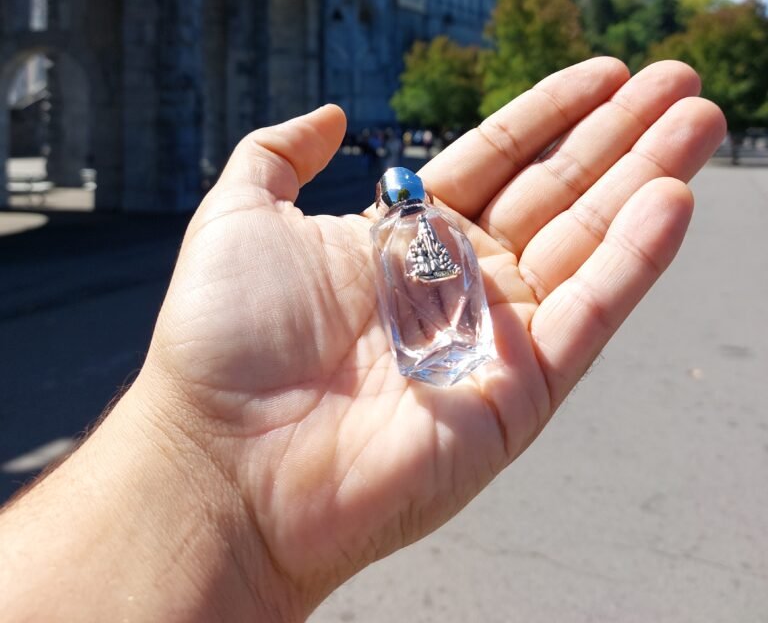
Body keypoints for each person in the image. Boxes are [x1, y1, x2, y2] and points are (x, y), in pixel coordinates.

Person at [0, 58, 725, 622]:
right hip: (450, 359)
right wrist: (207, 449)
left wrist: (207, 476)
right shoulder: (405, 236)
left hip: (447, 358)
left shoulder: (414, 229)